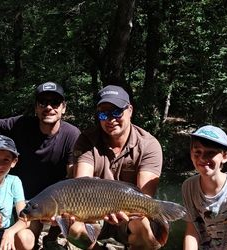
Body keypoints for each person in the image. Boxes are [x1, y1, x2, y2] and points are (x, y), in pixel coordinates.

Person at [0, 82, 81, 247]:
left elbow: (73, 178)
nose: (48, 107)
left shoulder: (72, 135)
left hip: (58, 201)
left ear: (63, 108)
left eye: (54, 103)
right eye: (43, 102)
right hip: (24, 201)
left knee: (77, 230)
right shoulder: (22, 125)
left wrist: (65, 211)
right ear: (36, 107)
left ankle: (52, 239)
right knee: (25, 239)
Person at [70, 85, 164, 249]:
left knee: (142, 226)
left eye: (116, 112)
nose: (110, 119)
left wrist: (125, 212)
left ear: (130, 110)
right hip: (95, 210)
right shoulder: (86, 140)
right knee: (75, 229)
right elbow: (81, 187)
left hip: (131, 212)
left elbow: (144, 197)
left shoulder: (149, 144)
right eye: (103, 113)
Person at [181, 125, 227, 250]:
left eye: (210, 153)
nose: (202, 158)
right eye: (197, 152)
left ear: (225, 156)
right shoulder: (188, 186)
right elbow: (192, 229)